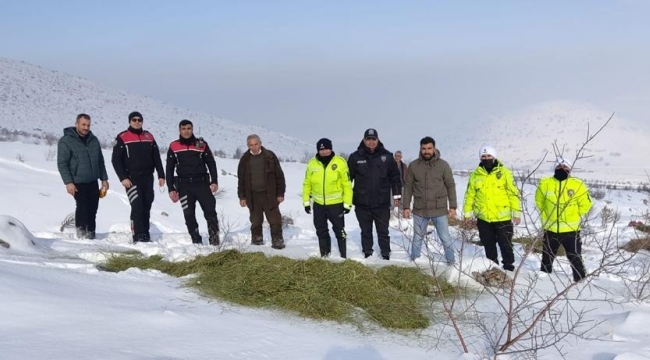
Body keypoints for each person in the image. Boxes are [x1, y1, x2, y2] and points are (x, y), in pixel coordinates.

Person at [462, 146, 521, 271]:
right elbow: (469, 196)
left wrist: (516, 213)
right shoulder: (475, 175)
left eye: (489, 156)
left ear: (494, 157)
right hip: (484, 218)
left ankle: (509, 267)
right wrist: (467, 214)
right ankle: (493, 268)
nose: (486, 158)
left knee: (506, 245)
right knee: (488, 245)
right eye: (483, 156)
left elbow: (513, 194)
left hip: (502, 218)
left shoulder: (504, 173)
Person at [535, 157, 592, 282]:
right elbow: (539, 202)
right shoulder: (545, 183)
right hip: (551, 228)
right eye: (559, 167)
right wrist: (548, 213)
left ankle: (580, 279)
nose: (562, 169)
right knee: (547, 256)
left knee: (575, 256)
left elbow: (586, 204)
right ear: (555, 168)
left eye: (565, 167)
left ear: (570, 169)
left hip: (571, 229)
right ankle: (543, 280)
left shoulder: (577, 184)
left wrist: (574, 214)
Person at [347, 128, 402, 260]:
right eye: (368, 139)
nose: (371, 142)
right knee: (366, 231)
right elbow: (347, 180)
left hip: (381, 203)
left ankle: (385, 253)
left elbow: (395, 177)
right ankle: (367, 252)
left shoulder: (387, 156)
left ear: (377, 140)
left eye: (373, 139)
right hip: (362, 203)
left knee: (383, 231)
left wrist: (397, 196)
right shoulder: (355, 157)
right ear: (364, 140)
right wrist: (346, 199)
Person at [111, 111, 165, 243]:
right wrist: (123, 177)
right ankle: (137, 235)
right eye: (134, 120)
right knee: (137, 205)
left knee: (147, 204)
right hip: (131, 178)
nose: (137, 122)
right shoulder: (122, 137)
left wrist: (161, 175)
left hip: (147, 177)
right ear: (129, 121)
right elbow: (116, 160)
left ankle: (145, 234)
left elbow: (156, 157)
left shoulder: (149, 136)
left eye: (139, 120)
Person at [402, 136, 457, 264]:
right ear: (420, 149)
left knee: (445, 237)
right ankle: (415, 261)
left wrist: (453, 206)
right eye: (424, 148)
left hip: (439, 210)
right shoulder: (414, 166)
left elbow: (450, 185)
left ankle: (451, 261)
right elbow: (408, 187)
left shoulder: (443, 165)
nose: (426, 151)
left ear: (434, 148)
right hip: (420, 210)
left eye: (429, 148)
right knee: (417, 237)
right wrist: (406, 207)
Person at [165, 119, 220, 245]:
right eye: (183, 129)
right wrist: (171, 188)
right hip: (184, 186)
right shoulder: (174, 146)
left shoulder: (201, 144)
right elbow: (169, 169)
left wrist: (214, 181)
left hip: (202, 184)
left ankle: (214, 240)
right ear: (179, 130)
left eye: (189, 128)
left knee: (210, 212)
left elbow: (211, 163)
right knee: (189, 214)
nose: (186, 131)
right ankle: (196, 240)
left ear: (192, 129)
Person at [57, 113, 109, 239]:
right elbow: (62, 163)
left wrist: (104, 179)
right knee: (83, 208)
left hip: (92, 180)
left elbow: (100, 161)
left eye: (88, 125)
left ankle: (90, 235)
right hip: (77, 181)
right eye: (83, 125)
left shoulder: (93, 140)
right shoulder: (66, 141)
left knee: (93, 208)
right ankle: (81, 235)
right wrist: (68, 182)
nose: (86, 128)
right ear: (76, 124)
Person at [302, 138, 353, 258]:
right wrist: (306, 202)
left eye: (326, 149)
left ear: (331, 149)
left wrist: (347, 203)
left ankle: (343, 256)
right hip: (319, 205)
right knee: (321, 230)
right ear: (318, 150)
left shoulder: (340, 162)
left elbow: (347, 184)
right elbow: (307, 183)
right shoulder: (312, 163)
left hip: (336, 204)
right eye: (322, 150)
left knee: (339, 230)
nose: (324, 152)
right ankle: (324, 256)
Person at [237, 134, 287, 249]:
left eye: (256, 144)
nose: (254, 147)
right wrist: (242, 197)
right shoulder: (245, 159)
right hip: (253, 195)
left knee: (274, 219)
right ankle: (257, 241)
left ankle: (277, 241)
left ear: (260, 143)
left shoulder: (269, 156)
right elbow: (241, 180)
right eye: (251, 145)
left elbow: (280, 176)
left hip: (269, 194)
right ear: (248, 146)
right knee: (256, 220)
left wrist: (280, 193)